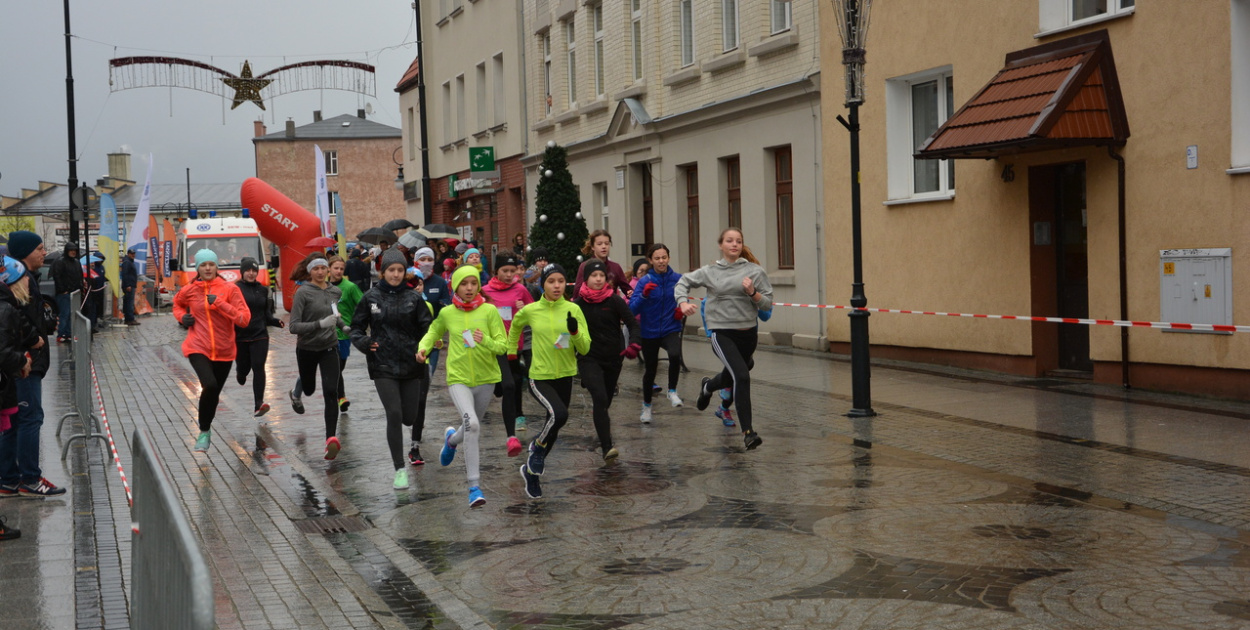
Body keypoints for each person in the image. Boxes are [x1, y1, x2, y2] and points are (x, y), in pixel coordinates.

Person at [675, 228, 773, 450]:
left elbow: (767, 304)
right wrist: (682, 303)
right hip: (722, 332)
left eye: (738, 241)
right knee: (742, 375)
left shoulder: (754, 271)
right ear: (721, 244)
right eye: (729, 240)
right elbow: (683, 282)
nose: (734, 244)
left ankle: (708, 387)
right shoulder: (710, 271)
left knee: (740, 369)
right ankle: (748, 432)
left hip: (748, 334)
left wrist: (752, 293)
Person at [417, 265, 506, 508]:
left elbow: (503, 346)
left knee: (469, 425)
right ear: (455, 286)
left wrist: (484, 340)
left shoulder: (489, 311)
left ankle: (451, 441)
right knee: (473, 424)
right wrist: (423, 349)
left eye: (473, 283)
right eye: (464, 284)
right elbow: (433, 331)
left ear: (478, 286)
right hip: (458, 378)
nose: (469, 288)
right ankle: (474, 487)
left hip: (487, 379)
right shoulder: (447, 313)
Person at [351, 249, 433, 490]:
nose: (396, 274)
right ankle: (399, 469)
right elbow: (356, 328)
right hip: (383, 364)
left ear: (404, 271)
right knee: (394, 414)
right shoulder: (370, 297)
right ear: (382, 271)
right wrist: (364, 343)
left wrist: (427, 345)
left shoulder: (414, 298)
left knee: (410, 416)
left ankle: (403, 453)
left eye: (399, 270)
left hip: (411, 363)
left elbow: (428, 327)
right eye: (391, 270)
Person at [507, 264, 590, 499]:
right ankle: (535, 447)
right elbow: (515, 326)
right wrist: (513, 350)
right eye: (551, 281)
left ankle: (531, 473)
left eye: (561, 281)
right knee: (560, 415)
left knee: (554, 425)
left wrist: (574, 333)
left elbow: (585, 347)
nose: (556, 285)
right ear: (543, 283)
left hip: (565, 374)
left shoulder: (573, 309)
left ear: (566, 284)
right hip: (540, 376)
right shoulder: (532, 310)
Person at [0, 231, 63, 497]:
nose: (44, 252)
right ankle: (28, 479)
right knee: (29, 418)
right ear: (24, 253)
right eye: (39, 248)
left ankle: (10, 479)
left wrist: (45, 325)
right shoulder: (16, 280)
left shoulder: (26, 278)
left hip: (25, 360)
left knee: (15, 420)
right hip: (24, 362)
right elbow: (16, 320)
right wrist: (34, 339)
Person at [173, 248, 251, 453]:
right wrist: (182, 317)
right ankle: (204, 431)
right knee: (208, 384)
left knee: (213, 392)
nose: (207, 268)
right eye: (203, 265)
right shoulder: (190, 289)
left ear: (217, 267)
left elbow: (244, 319)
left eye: (211, 264)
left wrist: (220, 304)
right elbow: (177, 304)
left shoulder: (230, 289)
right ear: (197, 268)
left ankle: (206, 428)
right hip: (197, 346)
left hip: (225, 350)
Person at [573, 260, 640, 462]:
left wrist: (634, 344)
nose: (599, 279)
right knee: (600, 398)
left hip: (613, 358)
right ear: (586, 279)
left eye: (602, 275)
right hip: (588, 357)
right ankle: (607, 446)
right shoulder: (578, 305)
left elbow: (633, 323)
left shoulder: (614, 300)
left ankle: (600, 419)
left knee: (605, 401)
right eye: (594, 276)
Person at [288, 254, 347, 458]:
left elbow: (334, 314)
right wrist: (319, 325)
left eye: (323, 268)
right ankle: (297, 392)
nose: (321, 272)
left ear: (328, 270)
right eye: (316, 269)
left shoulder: (334, 291)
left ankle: (330, 439)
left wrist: (344, 326)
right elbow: (293, 326)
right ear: (310, 271)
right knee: (310, 388)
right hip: (307, 349)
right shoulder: (303, 293)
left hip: (330, 347)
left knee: (331, 391)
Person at [480, 253, 533, 451]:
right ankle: (498, 388)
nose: (510, 274)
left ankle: (517, 418)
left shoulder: (521, 289)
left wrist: (524, 308)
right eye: (505, 271)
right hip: (493, 345)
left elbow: (533, 311)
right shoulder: (484, 291)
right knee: (504, 385)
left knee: (514, 382)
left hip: (514, 344)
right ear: (496, 271)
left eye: (512, 271)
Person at [0, 256, 42, 500]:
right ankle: (23, 479)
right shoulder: (6, 309)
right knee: (24, 422)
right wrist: (23, 361)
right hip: (9, 378)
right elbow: (3, 352)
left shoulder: (9, 306)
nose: (29, 280)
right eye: (23, 276)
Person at [629, 244, 686, 421]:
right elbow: (632, 309)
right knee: (650, 370)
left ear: (668, 258)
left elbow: (682, 298)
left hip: (670, 328)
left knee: (675, 355)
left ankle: (672, 391)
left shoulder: (678, 279)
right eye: (657, 258)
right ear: (651, 260)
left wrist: (680, 310)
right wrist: (644, 296)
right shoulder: (645, 281)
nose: (661, 261)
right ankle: (646, 407)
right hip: (649, 331)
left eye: (664, 257)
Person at [234, 257, 284, 417]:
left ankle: (258, 404)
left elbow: (267, 314)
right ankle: (240, 373)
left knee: (258, 366)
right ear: (242, 272)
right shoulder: (234, 289)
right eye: (248, 270)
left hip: (260, 334)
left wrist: (276, 322)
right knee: (244, 368)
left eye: (254, 270)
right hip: (240, 336)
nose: (251, 273)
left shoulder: (263, 290)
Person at [328, 256, 364, 413]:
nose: (338, 271)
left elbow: (365, 304)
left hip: (343, 336)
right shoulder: (323, 286)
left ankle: (337, 394)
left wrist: (358, 324)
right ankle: (340, 397)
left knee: (338, 368)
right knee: (334, 368)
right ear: (329, 268)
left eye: (341, 269)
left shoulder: (350, 287)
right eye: (335, 268)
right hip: (327, 335)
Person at [414, 247, 451, 375]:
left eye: (430, 259)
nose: (426, 262)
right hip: (412, 336)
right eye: (422, 259)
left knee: (428, 373)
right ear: (416, 261)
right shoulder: (409, 279)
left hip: (433, 333)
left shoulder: (439, 282)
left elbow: (446, 303)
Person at [573, 230, 632, 296]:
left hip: (610, 304)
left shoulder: (615, 267)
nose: (604, 247)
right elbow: (577, 293)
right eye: (599, 244)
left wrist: (631, 293)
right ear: (592, 247)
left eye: (607, 243)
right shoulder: (585, 266)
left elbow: (628, 290)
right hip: (590, 304)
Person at [50, 241, 83, 343]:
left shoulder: (76, 262)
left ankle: (68, 333)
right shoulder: (61, 262)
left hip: (74, 292)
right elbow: (57, 276)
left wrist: (81, 286)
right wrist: (62, 290)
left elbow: (79, 276)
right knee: (65, 313)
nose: (73, 252)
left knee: (71, 314)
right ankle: (62, 334)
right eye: (71, 250)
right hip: (65, 293)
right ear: (67, 251)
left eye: (74, 250)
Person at [121, 248, 139, 325]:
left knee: (129, 302)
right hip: (129, 286)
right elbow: (125, 274)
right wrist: (128, 285)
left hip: (131, 285)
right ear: (128, 254)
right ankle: (129, 319)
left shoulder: (129, 262)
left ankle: (129, 318)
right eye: (132, 254)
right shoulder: (127, 262)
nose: (133, 255)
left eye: (134, 254)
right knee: (129, 303)